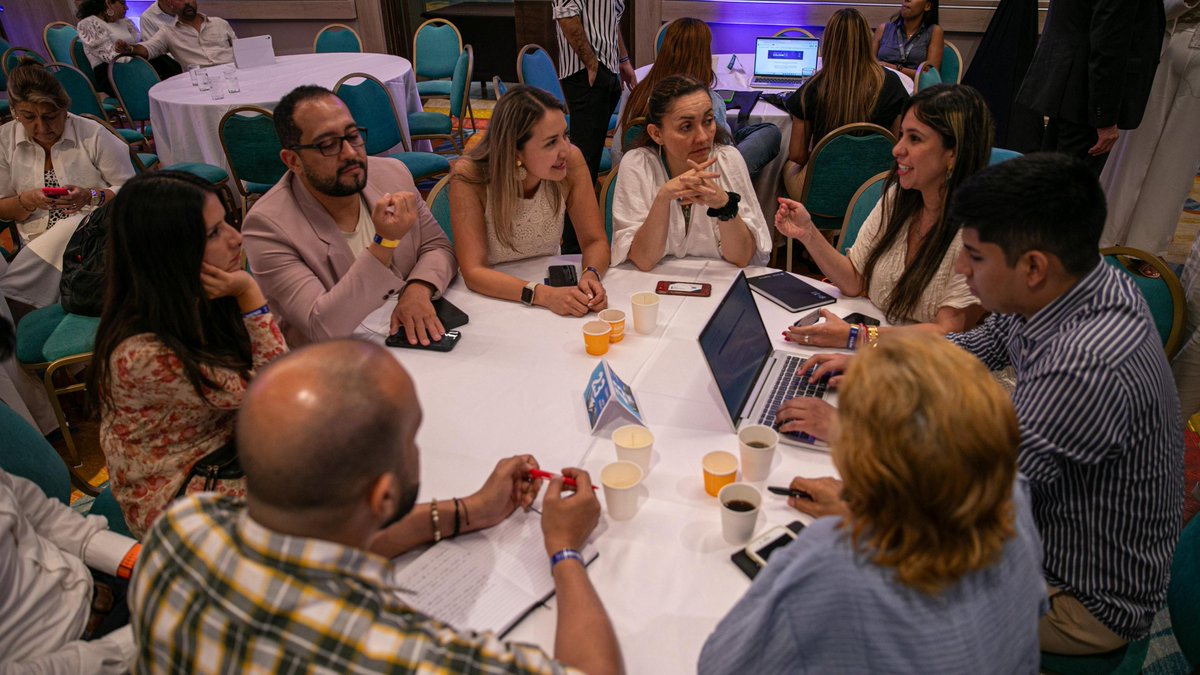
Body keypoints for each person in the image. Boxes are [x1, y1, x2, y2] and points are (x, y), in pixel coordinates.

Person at [787, 154, 1184, 655]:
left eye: (974, 255)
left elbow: (984, 499)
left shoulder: (1086, 365)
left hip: (1075, 596)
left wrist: (859, 467)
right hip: (1040, 525)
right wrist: (872, 354)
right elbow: (981, 347)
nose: (959, 267)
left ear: (1033, 267)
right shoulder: (1072, 286)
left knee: (843, 593)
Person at [131, 339, 625, 674]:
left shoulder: (181, 528)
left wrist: (470, 511)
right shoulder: (407, 655)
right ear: (384, 496)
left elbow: (312, 545)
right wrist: (563, 551)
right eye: (413, 438)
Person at [700, 333, 1045, 673]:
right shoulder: (1012, 494)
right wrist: (870, 514)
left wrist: (846, 532)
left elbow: (720, 664)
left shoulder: (840, 557)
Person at [91, 171, 288, 539]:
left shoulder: (194, 299)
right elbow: (278, 396)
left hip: (228, 445)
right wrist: (250, 294)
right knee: (333, 488)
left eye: (228, 222)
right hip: (176, 496)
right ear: (170, 253)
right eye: (214, 233)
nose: (236, 237)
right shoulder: (142, 353)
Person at [775, 84, 987, 354]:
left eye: (915, 139)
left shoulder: (978, 228)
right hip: (884, 353)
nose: (897, 149)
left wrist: (856, 337)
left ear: (953, 153)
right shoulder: (898, 198)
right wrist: (808, 233)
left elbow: (948, 334)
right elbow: (854, 280)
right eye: (901, 136)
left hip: (937, 371)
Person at [243, 86, 457, 347]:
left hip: (405, 338)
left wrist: (418, 289)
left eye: (353, 136)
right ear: (293, 161)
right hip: (333, 362)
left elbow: (438, 246)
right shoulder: (267, 226)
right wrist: (384, 244)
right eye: (328, 145)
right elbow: (320, 326)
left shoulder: (393, 174)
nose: (351, 153)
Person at [450, 85, 610, 316]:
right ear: (515, 150)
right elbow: (474, 271)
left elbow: (595, 241)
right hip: (493, 298)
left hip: (551, 288)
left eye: (565, 135)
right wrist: (543, 295)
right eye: (551, 142)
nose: (565, 149)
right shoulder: (470, 176)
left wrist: (591, 274)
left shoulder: (571, 161)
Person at [611, 75, 772, 269]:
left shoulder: (728, 160)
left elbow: (742, 258)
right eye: (686, 127)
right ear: (656, 133)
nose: (703, 137)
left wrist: (725, 204)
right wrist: (663, 198)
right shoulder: (638, 164)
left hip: (717, 282)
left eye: (708, 121)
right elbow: (644, 260)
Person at [0, 465, 140, 674]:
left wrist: (136, 560)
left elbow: (43, 515)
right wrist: (143, 636)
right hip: (78, 658)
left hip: (95, 580)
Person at [612, 18, 780, 180]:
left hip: (640, 173)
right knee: (769, 133)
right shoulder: (710, 101)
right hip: (703, 174)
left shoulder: (637, 91)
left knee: (752, 129)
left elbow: (618, 150)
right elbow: (723, 153)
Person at [1098, 0, 1200, 263]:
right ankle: (1104, 233)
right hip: (1162, 43)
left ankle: (1147, 248)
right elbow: (1152, 8)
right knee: (1134, 146)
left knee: (1179, 160)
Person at [1016, 0, 1165, 176]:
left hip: (1067, 83)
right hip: (1084, 96)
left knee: (1050, 180)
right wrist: (1104, 119)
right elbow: (1108, 45)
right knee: (1071, 188)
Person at [0, 61, 133, 244]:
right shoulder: (4, 141)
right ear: (15, 113)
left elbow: (131, 191)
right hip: (38, 242)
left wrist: (90, 196)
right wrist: (28, 201)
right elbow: (3, 207)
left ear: (64, 109)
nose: (42, 127)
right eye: (29, 117)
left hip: (95, 235)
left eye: (50, 116)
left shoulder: (93, 134)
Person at [782, 8, 909, 200]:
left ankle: (807, 225)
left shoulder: (811, 89)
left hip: (824, 192)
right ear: (867, 39)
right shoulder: (892, 84)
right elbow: (895, 145)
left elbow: (797, 155)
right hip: (874, 189)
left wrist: (826, 160)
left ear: (829, 42)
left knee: (784, 168)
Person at [553, 0, 637, 253]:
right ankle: (573, 248)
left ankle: (583, 240)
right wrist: (591, 63)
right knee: (581, 166)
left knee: (586, 166)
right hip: (585, 73)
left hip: (607, 69)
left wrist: (622, 59)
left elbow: (612, 19)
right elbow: (566, 14)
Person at [113, 0, 236, 69]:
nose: (187, 2)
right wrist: (129, 48)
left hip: (233, 73)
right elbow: (148, 48)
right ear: (171, 4)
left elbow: (239, 50)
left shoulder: (220, 23)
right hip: (200, 82)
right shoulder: (168, 32)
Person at [76, 0, 140, 96]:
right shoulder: (88, 24)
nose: (127, 8)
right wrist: (140, 57)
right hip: (110, 72)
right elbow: (110, 56)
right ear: (108, 3)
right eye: (122, 3)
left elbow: (139, 43)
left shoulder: (124, 21)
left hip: (133, 64)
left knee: (161, 59)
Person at [873, 0, 944, 81]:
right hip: (882, 82)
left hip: (914, 89)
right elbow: (868, 64)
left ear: (927, 6)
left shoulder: (934, 31)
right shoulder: (883, 29)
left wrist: (892, 68)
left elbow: (930, 74)